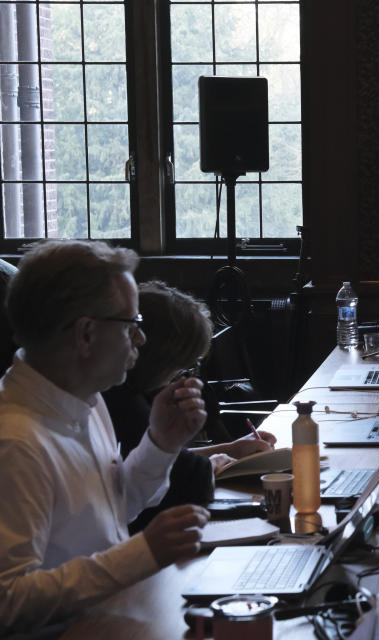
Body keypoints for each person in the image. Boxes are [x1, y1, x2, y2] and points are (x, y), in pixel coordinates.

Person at [0, 241, 209, 632]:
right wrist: (140, 553)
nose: (141, 340)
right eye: (132, 324)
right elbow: (8, 601)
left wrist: (161, 444)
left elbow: (112, 511)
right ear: (86, 335)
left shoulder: (86, 399)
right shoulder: (15, 442)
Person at [103, 281, 276, 531]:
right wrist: (212, 464)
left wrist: (232, 448)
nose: (182, 376)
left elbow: (158, 460)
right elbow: (181, 479)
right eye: (183, 366)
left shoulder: (138, 393)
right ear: (162, 357)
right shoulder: (123, 400)